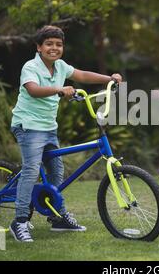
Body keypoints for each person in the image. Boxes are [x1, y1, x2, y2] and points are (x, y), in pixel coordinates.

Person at [9, 25, 122, 242]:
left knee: (56, 170)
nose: (54, 48)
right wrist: (59, 90)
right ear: (39, 47)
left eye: (58, 44)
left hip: (48, 128)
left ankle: (56, 216)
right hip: (28, 126)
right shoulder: (30, 66)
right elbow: (33, 89)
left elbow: (81, 75)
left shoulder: (60, 67)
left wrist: (109, 78)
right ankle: (20, 221)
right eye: (49, 44)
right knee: (31, 170)